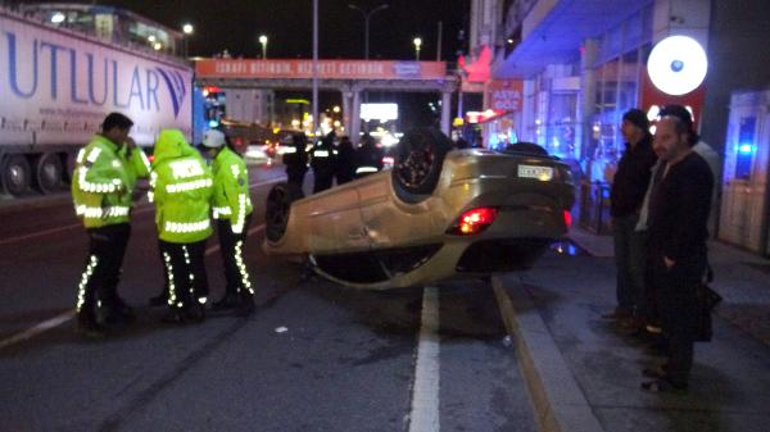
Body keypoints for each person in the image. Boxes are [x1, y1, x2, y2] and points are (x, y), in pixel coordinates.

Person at [642, 114, 713, 393]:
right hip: (661, 252)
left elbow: (691, 217)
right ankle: (670, 365)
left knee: (681, 317)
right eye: (657, 138)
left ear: (683, 137)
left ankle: (677, 377)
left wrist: (672, 254)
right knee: (668, 315)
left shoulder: (694, 169)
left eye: (666, 138)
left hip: (680, 258)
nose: (658, 144)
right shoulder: (666, 165)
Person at [71, 112, 151, 338]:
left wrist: (135, 150)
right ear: (114, 129)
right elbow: (83, 180)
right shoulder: (95, 150)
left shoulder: (120, 151)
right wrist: (116, 186)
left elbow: (144, 171)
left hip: (120, 220)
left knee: (112, 269)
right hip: (102, 221)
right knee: (94, 271)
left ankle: (110, 306)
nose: (127, 136)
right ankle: (85, 317)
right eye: (125, 132)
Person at [151, 129, 214, 324]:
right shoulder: (198, 163)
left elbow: (157, 197)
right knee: (197, 266)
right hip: (199, 227)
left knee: (176, 270)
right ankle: (200, 304)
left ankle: (179, 308)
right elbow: (209, 188)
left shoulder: (161, 168)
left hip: (173, 230)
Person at [604, 109, 657, 330]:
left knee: (637, 267)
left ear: (638, 126)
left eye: (626, 124)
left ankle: (640, 313)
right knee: (623, 264)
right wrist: (615, 213)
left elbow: (647, 186)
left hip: (636, 217)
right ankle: (624, 307)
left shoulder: (649, 152)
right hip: (622, 215)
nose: (622, 129)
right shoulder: (629, 152)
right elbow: (623, 184)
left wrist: (637, 211)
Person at [201, 130, 255, 315]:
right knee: (228, 260)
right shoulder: (217, 162)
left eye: (208, 149)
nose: (206, 152)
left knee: (235, 260)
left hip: (235, 218)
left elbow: (238, 197)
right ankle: (231, 296)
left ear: (217, 147)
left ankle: (247, 299)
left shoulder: (229, 163)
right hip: (226, 219)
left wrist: (237, 224)